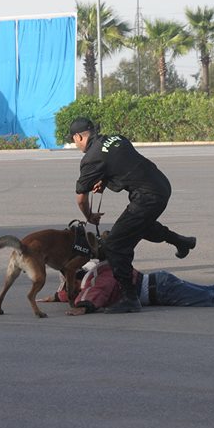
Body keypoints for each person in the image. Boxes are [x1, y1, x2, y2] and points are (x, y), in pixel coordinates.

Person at [67, 117, 196, 314]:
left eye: (73, 140)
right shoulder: (116, 139)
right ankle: (182, 241)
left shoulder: (90, 158)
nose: (75, 144)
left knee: (115, 244)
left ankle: (130, 298)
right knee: (138, 226)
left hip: (148, 196)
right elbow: (122, 164)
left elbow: (81, 199)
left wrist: (90, 216)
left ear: (78, 137)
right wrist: (104, 178)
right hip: (161, 185)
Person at [42, 261, 214, 315]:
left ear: (77, 278)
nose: (66, 288)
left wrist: (84, 307)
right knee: (210, 291)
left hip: (162, 290)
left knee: (212, 297)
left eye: (66, 283)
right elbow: (72, 294)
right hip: (161, 283)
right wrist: (56, 297)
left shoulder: (95, 279)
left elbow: (97, 293)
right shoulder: (93, 276)